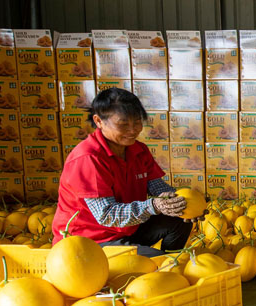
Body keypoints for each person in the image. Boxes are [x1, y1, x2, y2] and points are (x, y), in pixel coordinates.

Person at [51, 88, 202, 256]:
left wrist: (185, 203)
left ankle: (174, 260)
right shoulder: (88, 158)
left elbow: (158, 188)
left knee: (180, 220)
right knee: (159, 264)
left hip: (127, 230)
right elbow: (107, 215)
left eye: (137, 122)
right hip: (90, 242)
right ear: (99, 121)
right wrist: (154, 205)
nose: (133, 130)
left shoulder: (138, 150)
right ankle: (167, 265)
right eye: (123, 124)